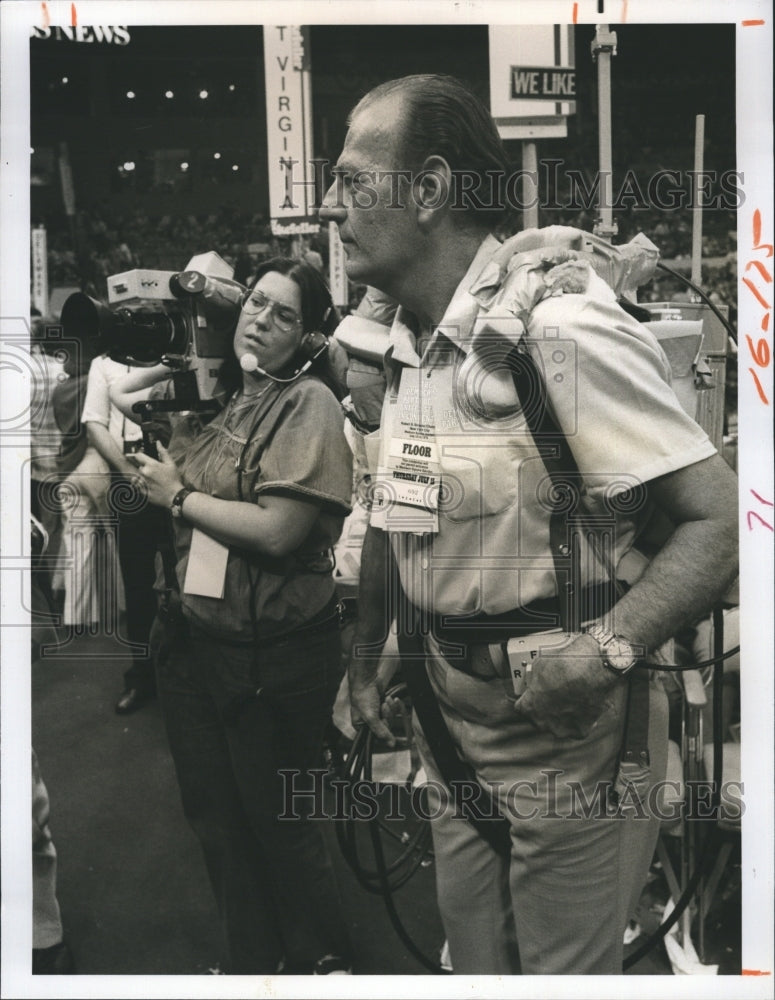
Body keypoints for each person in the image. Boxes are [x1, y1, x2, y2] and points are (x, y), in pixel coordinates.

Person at [319, 74, 739, 975]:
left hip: (570, 736)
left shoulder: (558, 327)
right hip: (445, 724)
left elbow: (718, 521)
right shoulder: (408, 346)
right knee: (473, 967)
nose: (328, 204)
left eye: (351, 180)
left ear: (429, 190)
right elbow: (398, 518)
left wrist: (602, 655)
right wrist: (367, 663)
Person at [121, 258, 354, 975]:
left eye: (284, 315)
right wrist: (197, 342)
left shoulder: (307, 402)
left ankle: (320, 961)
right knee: (216, 818)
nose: (261, 320)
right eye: (255, 302)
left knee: (277, 819)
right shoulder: (225, 395)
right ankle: (254, 963)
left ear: (307, 337)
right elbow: (126, 400)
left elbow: (280, 530)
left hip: (271, 651)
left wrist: (178, 497)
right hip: (196, 636)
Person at [81, 351, 162, 713]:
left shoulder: (174, 350)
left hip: (177, 469)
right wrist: (126, 473)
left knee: (188, 576)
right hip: (126, 477)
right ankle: (143, 676)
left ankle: (190, 676)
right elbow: (95, 423)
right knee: (138, 580)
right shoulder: (104, 362)